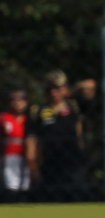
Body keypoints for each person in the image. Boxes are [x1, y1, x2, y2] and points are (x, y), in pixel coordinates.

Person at [26, 71, 91, 202]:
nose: (53, 92)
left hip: (73, 163)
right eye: (50, 88)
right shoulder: (38, 111)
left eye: (57, 88)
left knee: (76, 198)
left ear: (64, 89)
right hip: (49, 164)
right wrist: (33, 164)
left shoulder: (74, 106)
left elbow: (90, 86)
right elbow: (31, 140)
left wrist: (70, 91)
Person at [1, 87, 30, 203]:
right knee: (11, 184)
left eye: (21, 99)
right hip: (10, 155)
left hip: (26, 154)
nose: (17, 102)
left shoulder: (29, 119)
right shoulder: (4, 118)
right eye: (14, 99)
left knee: (25, 184)